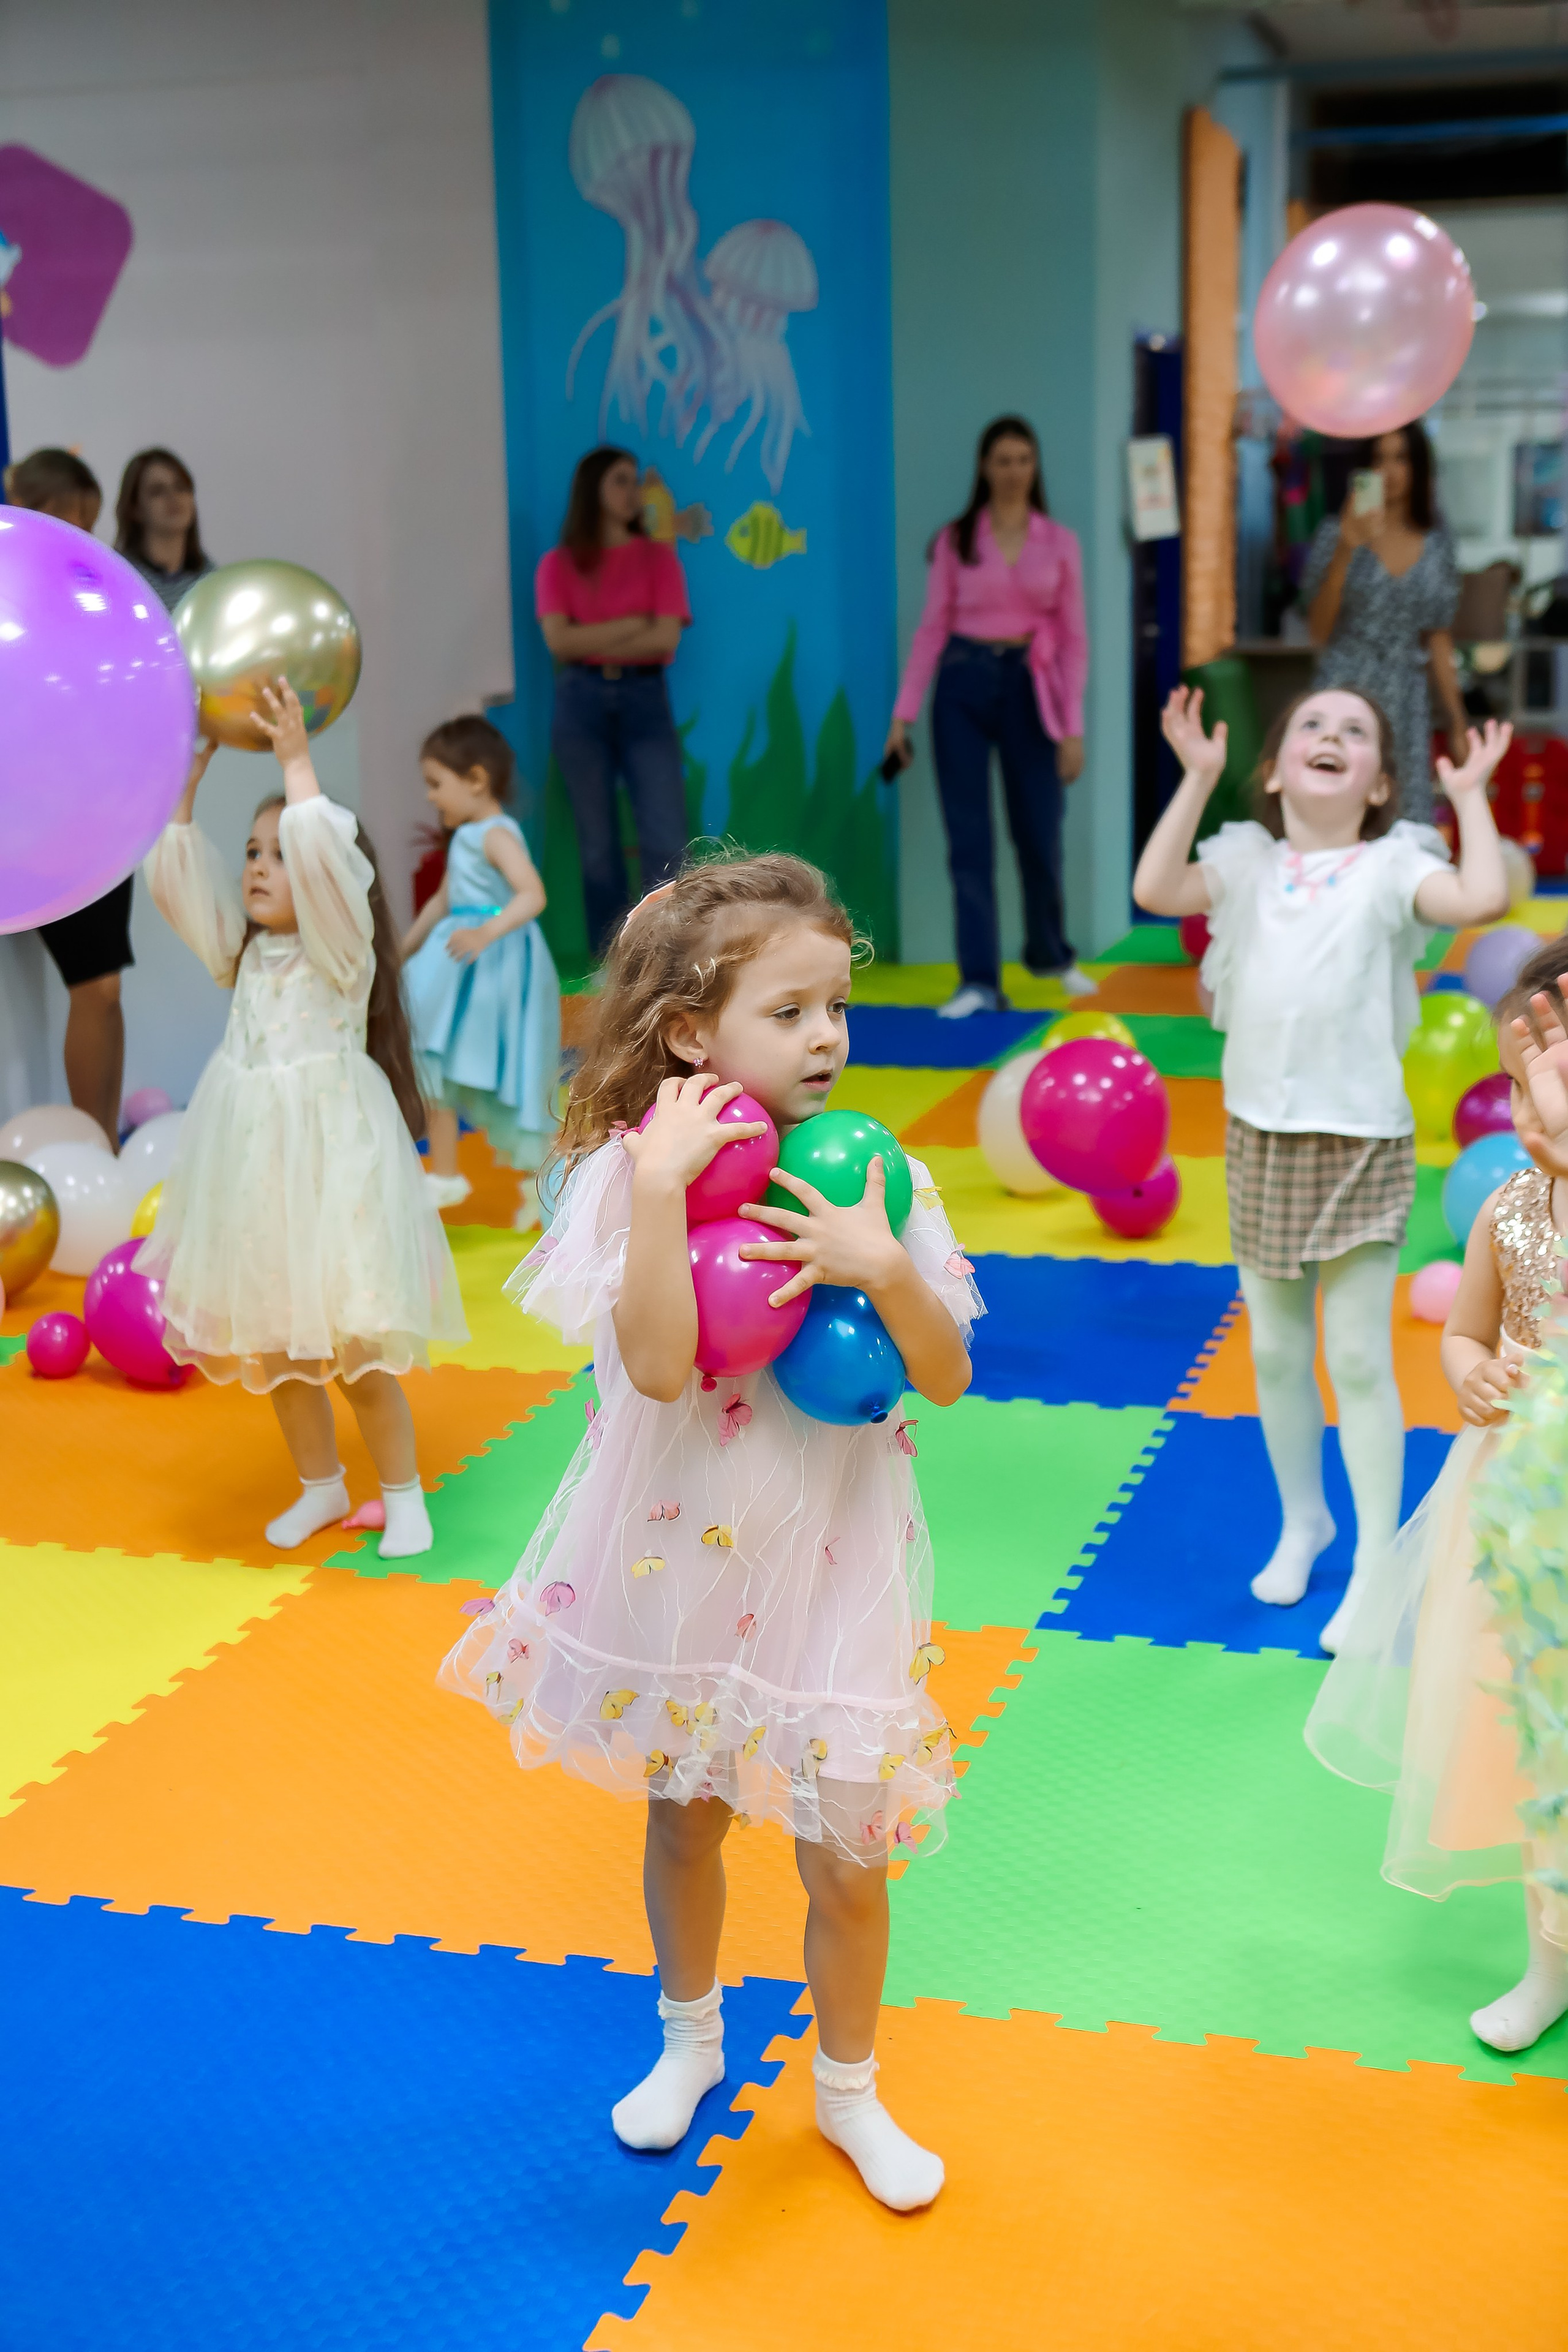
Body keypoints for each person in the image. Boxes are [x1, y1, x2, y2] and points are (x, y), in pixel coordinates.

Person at [440, 853, 982, 2210]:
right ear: (691, 1033)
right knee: (684, 1818)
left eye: (835, 1010)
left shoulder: (877, 1173)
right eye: (788, 1012)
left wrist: (882, 1266)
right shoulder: (633, 1175)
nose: (826, 1040)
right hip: (678, 1553)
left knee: (847, 1853)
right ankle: (688, 2044)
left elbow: (948, 1373)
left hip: (836, 1557)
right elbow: (667, 1368)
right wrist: (663, 1194)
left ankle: (849, 2095)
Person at [1133, 684, 1510, 1651]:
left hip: (1363, 1140)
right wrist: (1197, 779)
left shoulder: (1392, 866)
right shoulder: (1248, 860)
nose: (1332, 736)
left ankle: (1378, 1558)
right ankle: (1306, 1519)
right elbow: (1155, 890)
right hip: (1261, 1134)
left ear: (1381, 780)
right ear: (1276, 768)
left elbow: (1479, 899)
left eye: (1356, 732)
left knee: (1355, 1358)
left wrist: (1467, 794)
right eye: (1313, 724)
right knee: (1272, 1352)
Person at [1305, 942, 1568, 2052]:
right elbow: (1464, 1332)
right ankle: (1550, 1961)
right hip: (1519, 1521)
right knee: (1538, 1749)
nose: (1532, 1104)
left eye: (1554, 1076)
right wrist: (1475, 1380)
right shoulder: (1511, 1209)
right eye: (1523, 1079)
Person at [135, 682, 465, 1560]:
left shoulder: (339, 948)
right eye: (251, 851)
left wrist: (295, 761)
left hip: (337, 1174)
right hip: (257, 1179)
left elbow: (327, 865)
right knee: (277, 1346)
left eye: (276, 854)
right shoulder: (239, 952)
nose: (256, 866)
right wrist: (185, 783)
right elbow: (174, 877)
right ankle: (321, 1487)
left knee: (358, 1347)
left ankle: (402, 1494)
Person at [885, 415, 1091, 1019]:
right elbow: (930, 631)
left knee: (1039, 831)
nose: (1012, 471)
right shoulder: (957, 541)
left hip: (1034, 687)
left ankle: (1050, 954)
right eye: (1001, 460)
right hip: (962, 687)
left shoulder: (1059, 543)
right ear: (984, 468)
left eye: (1022, 460)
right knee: (968, 841)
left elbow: (1075, 640)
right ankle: (978, 980)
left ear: (1035, 467)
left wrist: (1072, 728)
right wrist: (903, 715)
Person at [7, 447, 132, 1145]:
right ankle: (92, 1141)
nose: (80, 534)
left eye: (88, 522)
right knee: (97, 986)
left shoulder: (92, 592)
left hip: (102, 812)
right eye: (68, 518)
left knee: (107, 989)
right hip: (38, 819)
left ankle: (103, 1140)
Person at [401, 714, 560, 1222]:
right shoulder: (466, 837)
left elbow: (532, 895)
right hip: (461, 966)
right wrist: (400, 953)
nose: (430, 797)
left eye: (436, 784)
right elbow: (440, 903)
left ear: (475, 780)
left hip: (497, 964)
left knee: (507, 1067)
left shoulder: (495, 835)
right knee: (436, 1064)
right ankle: (445, 1172)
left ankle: (546, 1185)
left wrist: (487, 932)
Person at [536, 446, 692, 956]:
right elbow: (560, 644)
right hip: (580, 700)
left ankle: (669, 958)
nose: (633, 493)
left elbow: (665, 639)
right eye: (621, 481)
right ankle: (613, 967)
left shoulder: (659, 559)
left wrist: (595, 635)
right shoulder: (557, 566)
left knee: (666, 839)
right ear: (594, 490)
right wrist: (633, 624)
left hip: (645, 696)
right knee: (598, 848)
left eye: (635, 482)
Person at [1302, 421, 1468, 824]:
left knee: (1405, 823)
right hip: (1343, 692)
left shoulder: (1438, 546)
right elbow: (1318, 632)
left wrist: (1458, 722)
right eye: (1378, 459)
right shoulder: (1334, 535)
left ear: (1419, 468)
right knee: (1338, 818)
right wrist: (1346, 546)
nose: (1390, 472)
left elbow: (1438, 639)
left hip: (1406, 702)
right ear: (1362, 470)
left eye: (1401, 459)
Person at [113, 447, 214, 614]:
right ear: (135, 509)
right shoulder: (120, 579)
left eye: (180, 487)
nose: (173, 498)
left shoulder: (211, 581)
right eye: (157, 492)